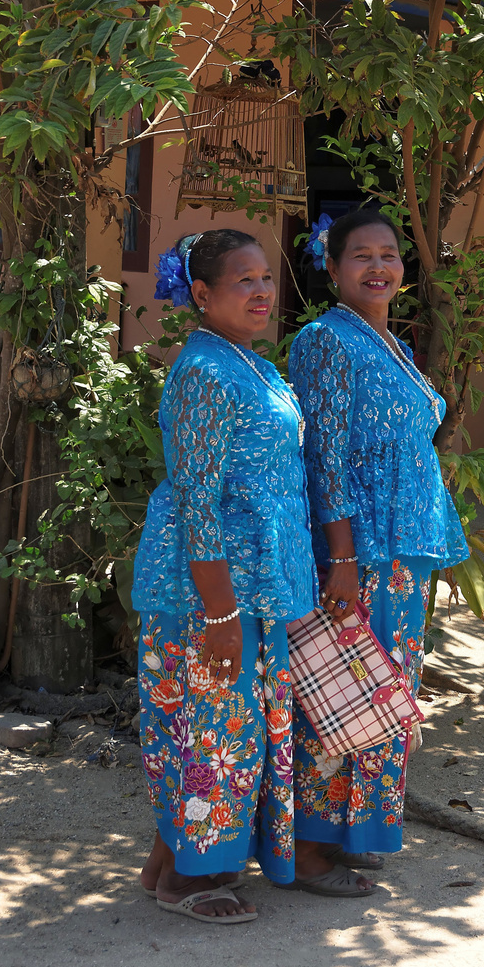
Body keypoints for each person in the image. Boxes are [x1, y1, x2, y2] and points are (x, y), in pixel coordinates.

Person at [131, 229, 317, 922]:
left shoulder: (246, 363)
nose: (262, 290)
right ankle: (189, 879)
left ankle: (167, 867)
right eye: (244, 280)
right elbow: (195, 500)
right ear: (202, 295)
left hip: (249, 589)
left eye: (266, 277)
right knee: (212, 733)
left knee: (219, 729)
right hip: (207, 595)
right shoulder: (204, 372)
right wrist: (218, 613)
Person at [288, 209, 470, 875]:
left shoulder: (391, 342)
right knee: (341, 689)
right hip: (356, 553)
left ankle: (355, 833)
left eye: (388, 255)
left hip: (399, 553)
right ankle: (310, 846)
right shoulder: (324, 342)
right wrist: (337, 559)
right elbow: (324, 457)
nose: (377, 267)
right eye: (359, 256)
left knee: (380, 694)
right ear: (332, 269)